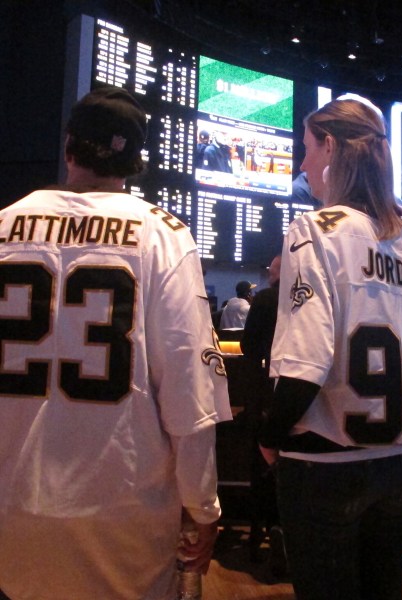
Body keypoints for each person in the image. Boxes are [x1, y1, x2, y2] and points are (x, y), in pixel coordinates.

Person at [0, 86, 232, 600]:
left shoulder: (4, 225)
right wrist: (203, 506)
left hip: (9, 506)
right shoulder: (163, 234)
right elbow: (189, 395)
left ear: (68, 147)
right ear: (133, 162)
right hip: (123, 514)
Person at [258, 96, 402, 600]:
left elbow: (305, 364)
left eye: (308, 148)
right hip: (400, 461)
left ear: (331, 146)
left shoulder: (314, 229)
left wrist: (268, 435)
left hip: (325, 466)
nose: (303, 164)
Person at [240, 255, 286, 573]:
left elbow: (248, 347)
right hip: (310, 398)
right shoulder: (319, 296)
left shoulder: (267, 299)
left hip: (269, 394)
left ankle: (262, 530)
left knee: (263, 465)